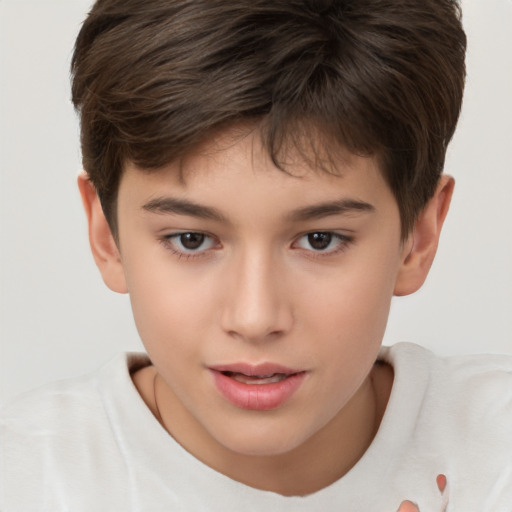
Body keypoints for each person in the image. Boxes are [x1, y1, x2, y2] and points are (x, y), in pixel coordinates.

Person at [1, 0, 511, 510]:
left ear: (417, 237)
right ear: (106, 234)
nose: (254, 317)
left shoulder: (494, 458)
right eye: (191, 240)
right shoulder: (27, 481)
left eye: (320, 240)